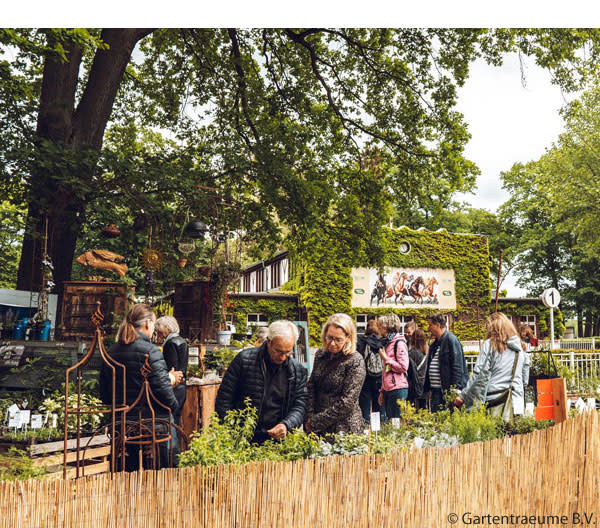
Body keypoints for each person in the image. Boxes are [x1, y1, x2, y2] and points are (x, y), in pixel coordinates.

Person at [99, 304, 180, 470]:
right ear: (148, 324)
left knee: (127, 474)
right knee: (163, 472)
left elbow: (105, 394)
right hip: (152, 426)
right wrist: (174, 403)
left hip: (121, 425)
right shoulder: (151, 351)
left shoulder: (111, 351)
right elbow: (164, 393)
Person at [215, 320, 307, 443]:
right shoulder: (244, 361)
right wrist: (230, 431)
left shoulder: (297, 371)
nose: (283, 357)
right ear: (268, 341)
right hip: (241, 438)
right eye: (278, 351)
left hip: (277, 440)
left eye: (288, 352)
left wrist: (287, 424)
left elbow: (300, 405)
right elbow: (224, 399)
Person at [454, 312, 526, 419]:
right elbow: (525, 379)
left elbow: (479, 375)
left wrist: (463, 396)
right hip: (517, 404)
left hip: (495, 403)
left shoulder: (489, 345)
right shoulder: (520, 348)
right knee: (516, 435)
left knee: (495, 435)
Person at [306, 313, 366, 436]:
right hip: (318, 426)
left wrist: (316, 421)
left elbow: (348, 402)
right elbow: (312, 385)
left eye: (338, 340)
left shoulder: (355, 360)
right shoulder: (321, 355)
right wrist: (310, 415)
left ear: (348, 338)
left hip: (343, 427)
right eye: (329, 338)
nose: (332, 343)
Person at [424, 313, 468, 411]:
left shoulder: (451, 340)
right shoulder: (435, 344)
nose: (428, 328)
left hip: (446, 391)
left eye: (430, 325)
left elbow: (457, 366)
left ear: (438, 325)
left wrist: (456, 390)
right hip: (436, 391)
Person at [376, 313, 409, 420]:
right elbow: (386, 371)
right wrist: (382, 390)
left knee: (396, 422)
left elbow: (404, 367)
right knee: (391, 421)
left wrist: (386, 359)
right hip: (388, 389)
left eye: (380, 326)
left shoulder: (398, 343)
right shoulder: (387, 342)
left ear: (387, 327)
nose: (378, 329)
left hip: (398, 388)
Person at [155, 316, 188, 424]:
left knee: (171, 421)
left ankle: (173, 441)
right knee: (176, 419)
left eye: (160, 331)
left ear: (167, 329)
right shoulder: (182, 341)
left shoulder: (170, 343)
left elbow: (172, 368)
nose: (159, 334)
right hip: (182, 386)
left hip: (174, 385)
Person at [357, 319, 386, 423]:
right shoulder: (382, 342)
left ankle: (365, 429)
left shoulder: (362, 341)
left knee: (365, 407)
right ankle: (378, 431)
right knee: (378, 406)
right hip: (379, 378)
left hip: (366, 379)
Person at [408, 328, 429, 410]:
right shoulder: (427, 352)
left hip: (413, 385)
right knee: (423, 409)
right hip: (424, 384)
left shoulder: (412, 353)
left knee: (412, 409)